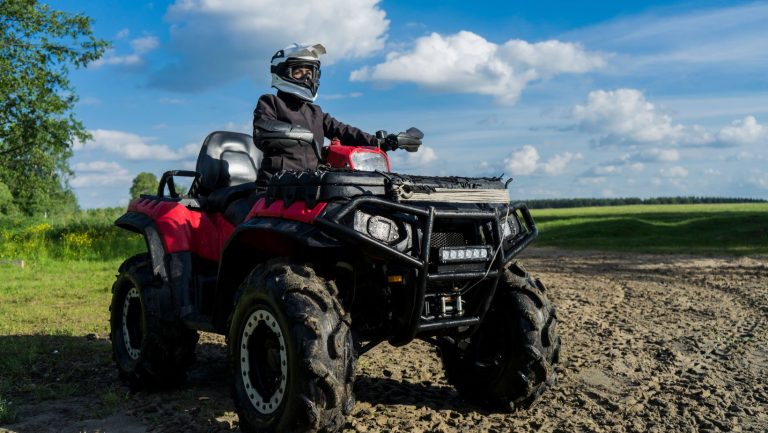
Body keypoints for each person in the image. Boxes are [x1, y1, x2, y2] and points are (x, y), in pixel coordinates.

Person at [252, 43, 400, 185]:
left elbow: (345, 131)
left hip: (310, 184)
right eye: (299, 73)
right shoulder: (270, 102)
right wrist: (294, 133)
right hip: (275, 185)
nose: (307, 79)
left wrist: (382, 142)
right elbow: (263, 129)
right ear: (282, 72)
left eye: (310, 73)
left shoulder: (316, 112)